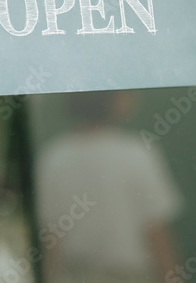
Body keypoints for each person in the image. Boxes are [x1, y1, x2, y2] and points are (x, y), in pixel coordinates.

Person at [36, 91, 181, 283]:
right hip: (131, 277)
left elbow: (52, 239)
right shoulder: (137, 153)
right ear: (113, 100)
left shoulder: (54, 156)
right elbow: (156, 233)